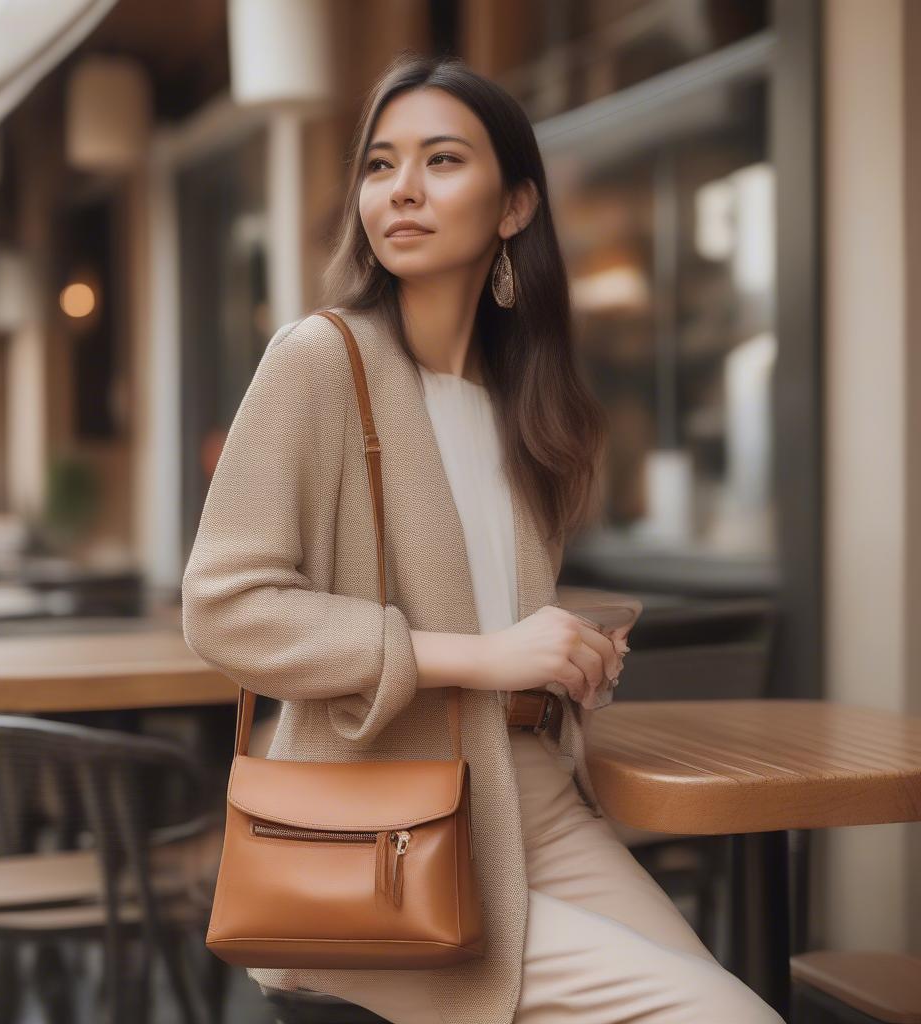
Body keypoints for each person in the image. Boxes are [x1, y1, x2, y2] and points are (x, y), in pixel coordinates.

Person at [182, 52, 784, 1024]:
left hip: (532, 797)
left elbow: (478, 602)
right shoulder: (319, 360)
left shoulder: (524, 407)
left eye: (442, 160)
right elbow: (222, 608)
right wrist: (492, 653)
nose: (402, 190)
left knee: (733, 1000)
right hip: (384, 832)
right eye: (380, 165)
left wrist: (560, 645)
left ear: (513, 208)